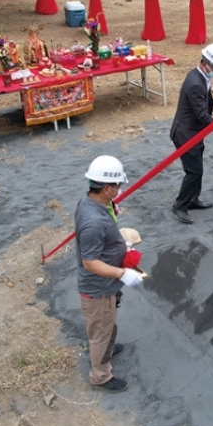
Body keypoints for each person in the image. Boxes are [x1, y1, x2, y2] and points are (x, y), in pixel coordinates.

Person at [75, 155, 143, 391]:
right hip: (98, 289)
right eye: (117, 185)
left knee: (108, 325)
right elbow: (90, 262)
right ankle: (100, 375)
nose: (120, 188)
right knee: (101, 332)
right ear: (106, 188)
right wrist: (122, 274)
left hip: (106, 287)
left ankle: (108, 348)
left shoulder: (93, 203)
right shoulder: (94, 222)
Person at [170, 43, 213, 224]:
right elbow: (201, 116)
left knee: (197, 168)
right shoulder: (195, 84)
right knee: (194, 171)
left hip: (194, 133)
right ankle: (181, 204)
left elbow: (204, 97)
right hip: (185, 134)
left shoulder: (199, 76)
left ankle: (193, 199)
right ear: (205, 63)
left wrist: (212, 103)